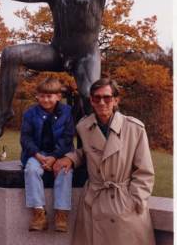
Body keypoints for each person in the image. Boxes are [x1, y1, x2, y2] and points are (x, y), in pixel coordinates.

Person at [0, 0, 144, 142]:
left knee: (90, 95)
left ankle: (92, 146)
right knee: (10, 54)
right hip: (57, 51)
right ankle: (2, 116)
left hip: (85, 55)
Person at [53, 78, 155, 245]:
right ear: (91, 101)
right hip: (94, 202)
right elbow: (89, 152)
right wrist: (71, 158)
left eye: (107, 97)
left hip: (124, 204)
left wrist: (135, 200)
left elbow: (145, 171)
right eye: (96, 98)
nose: (102, 102)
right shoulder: (84, 127)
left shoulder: (134, 129)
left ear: (116, 100)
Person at [20, 77, 75, 232]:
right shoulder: (30, 113)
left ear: (58, 96)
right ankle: (39, 213)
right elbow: (25, 138)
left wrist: (55, 157)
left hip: (60, 153)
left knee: (65, 171)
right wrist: (37, 155)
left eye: (49, 96)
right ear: (37, 96)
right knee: (31, 170)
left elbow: (67, 137)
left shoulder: (67, 112)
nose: (45, 99)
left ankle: (61, 214)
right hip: (37, 154)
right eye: (42, 96)